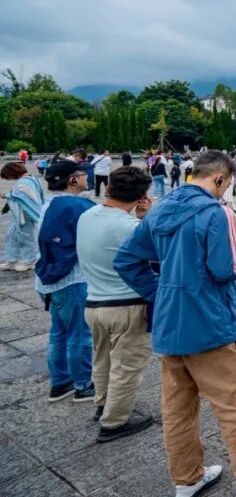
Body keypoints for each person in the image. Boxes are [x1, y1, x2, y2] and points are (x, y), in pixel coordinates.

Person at [114, 151, 236, 497]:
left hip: (170, 325)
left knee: (178, 410)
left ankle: (187, 479)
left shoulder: (161, 209)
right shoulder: (217, 213)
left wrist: (161, 292)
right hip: (209, 324)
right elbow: (223, 269)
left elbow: (126, 259)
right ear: (218, 178)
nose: (226, 190)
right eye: (227, 184)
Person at [77, 166, 155, 442]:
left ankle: (103, 403)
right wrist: (145, 218)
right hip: (126, 304)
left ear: (108, 188)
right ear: (141, 197)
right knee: (127, 366)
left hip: (94, 302)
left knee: (102, 358)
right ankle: (114, 422)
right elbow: (157, 256)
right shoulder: (131, 227)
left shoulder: (86, 216)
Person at [35, 160, 97, 404]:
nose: (87, 177)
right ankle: (83, 385)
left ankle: (60, 382)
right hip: (72, 281)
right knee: (80, 335)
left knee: (58, 332)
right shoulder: (75, 206)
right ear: (72, 180)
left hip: (47, 281)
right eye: (83, 174)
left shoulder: (49, 204)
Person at [1, 162, 44, 272]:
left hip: (25, 215)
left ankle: (29, 261)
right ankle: (12, 259)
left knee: (26, 238)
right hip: (20, 215)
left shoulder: (25, 182)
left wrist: (4, 195)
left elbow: (21, 196)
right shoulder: (31, 179)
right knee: (12, 236)